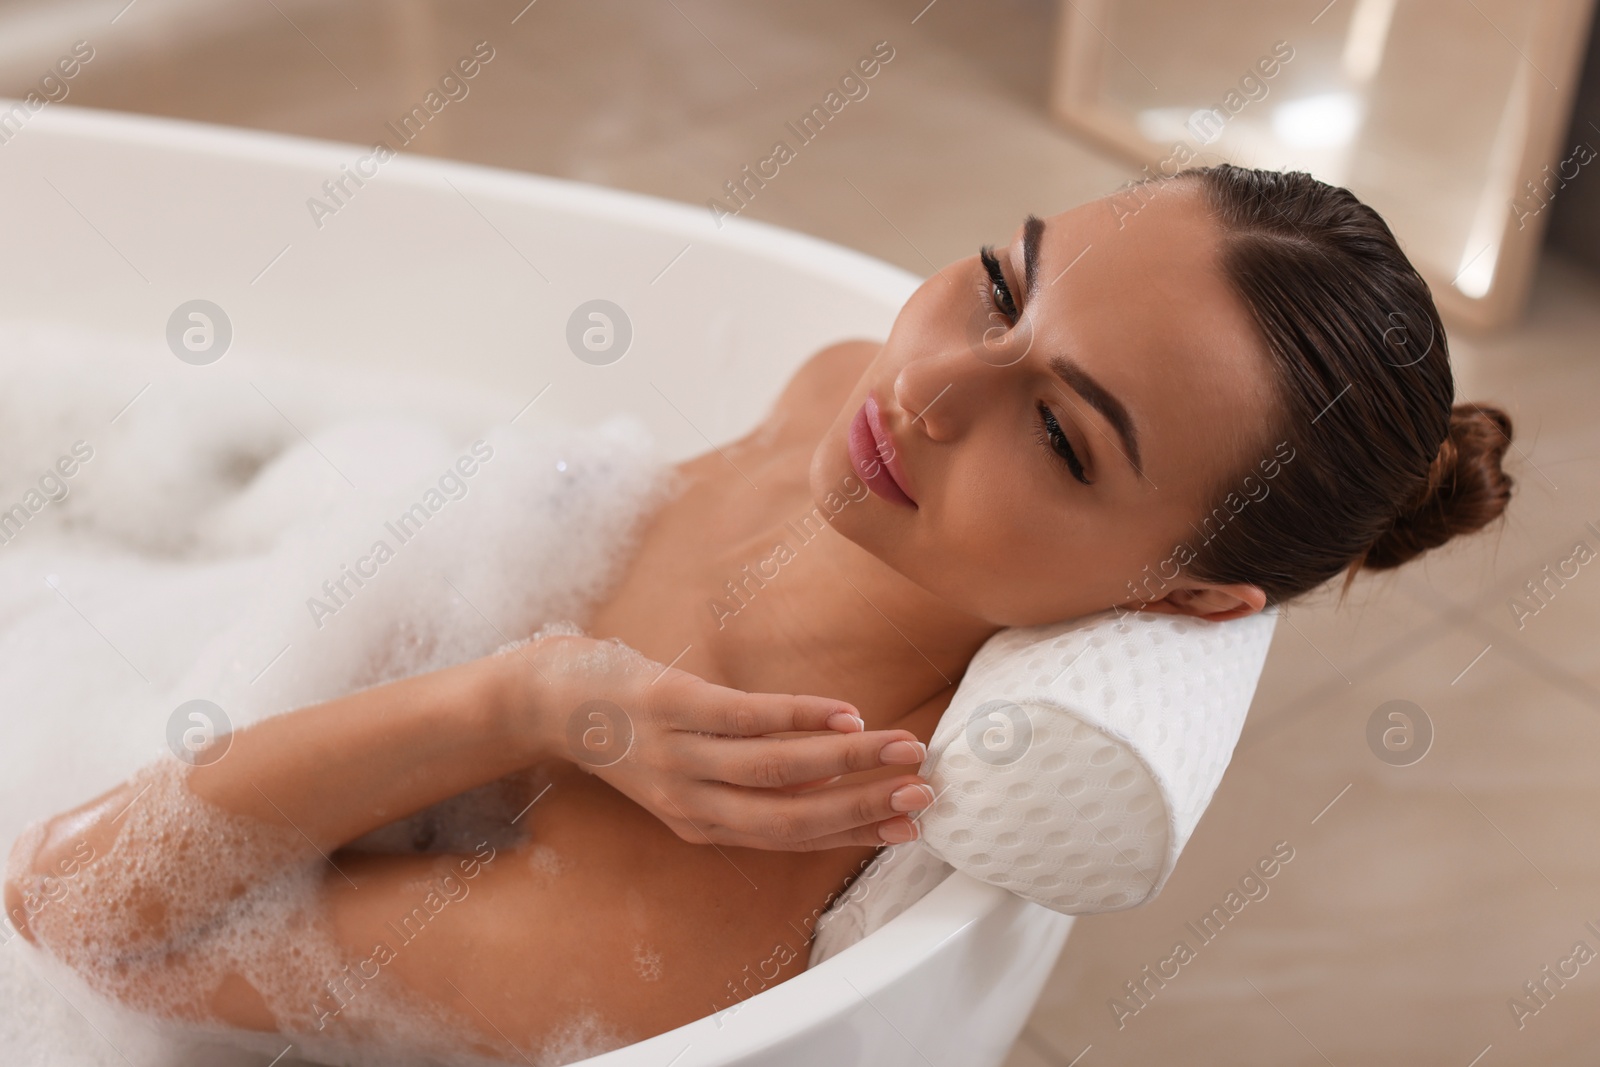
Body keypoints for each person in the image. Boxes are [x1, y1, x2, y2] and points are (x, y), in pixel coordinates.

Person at [3, 165, 1514, 1064]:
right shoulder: (838, 403)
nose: (923, 385)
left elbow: (76, 920)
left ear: (1184, 595)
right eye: (1001, 287)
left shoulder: (679, 911)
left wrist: (524, 700)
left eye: (1060, 439)